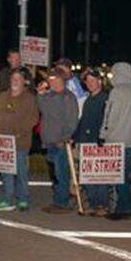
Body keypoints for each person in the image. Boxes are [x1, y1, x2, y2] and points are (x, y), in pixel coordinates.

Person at [0, 68, 38, 211]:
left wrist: (19, 133)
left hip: (20, 142)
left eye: (18, 79)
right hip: (2, 143)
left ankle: (23, 199)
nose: (15, 81)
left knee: (21, 171)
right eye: (13, 79)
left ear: (24, 82)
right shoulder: (2, 96)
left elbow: (33, 119)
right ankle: (7, 199)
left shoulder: (29, 98)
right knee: (6, 172)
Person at [100, 62, 131, 220]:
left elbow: (110, 115)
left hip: (117, 138)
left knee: (119, 176)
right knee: (122, 172)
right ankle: (125, 205)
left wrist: (103, 134)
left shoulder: (117, 91)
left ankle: (126, 208)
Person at [37, 68, 80, 213]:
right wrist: (41, 94)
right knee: (55, 175)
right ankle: (58, 200)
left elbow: (72, 121)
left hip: (60, 142)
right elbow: (42, 109)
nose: (52, 82)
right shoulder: (50, 96)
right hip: (49, 140)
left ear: (62, 80)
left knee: (61, 173)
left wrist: (65, 138)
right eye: (50, 79)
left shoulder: (68, 97)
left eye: (55, 79)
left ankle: (62, 203)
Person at [74, 67, 111, 216]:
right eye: (87, 81)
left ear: (99, 82)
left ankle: (102, 205)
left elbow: (106, 121)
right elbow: (83, 121)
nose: (89, 83)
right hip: (85, 142)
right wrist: (75, 136)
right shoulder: (89, 99)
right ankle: (93, 203)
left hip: (97, 142)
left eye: (92, 80)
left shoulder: (105, 99)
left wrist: (101, 139)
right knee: (86, 175)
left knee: (99, 175)